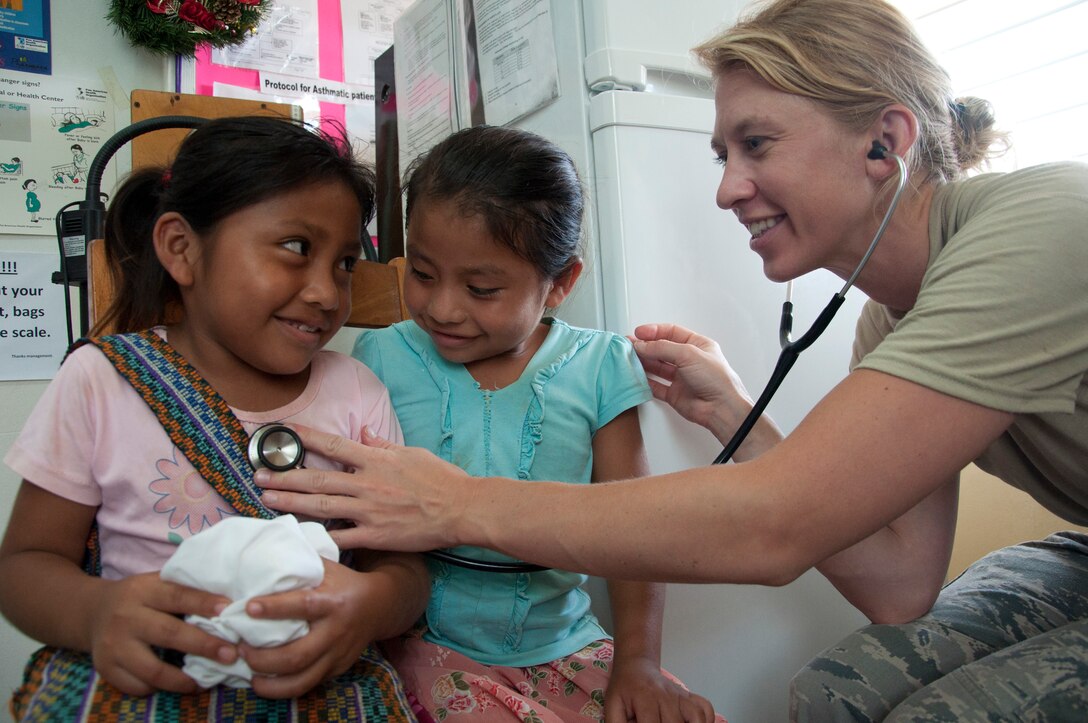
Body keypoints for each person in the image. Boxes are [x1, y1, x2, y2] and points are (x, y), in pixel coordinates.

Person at [249, 0, 1088, 719]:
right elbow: (898, 580)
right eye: (723, 154)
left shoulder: (1045, 224)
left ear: (885, 141)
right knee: (837, 688)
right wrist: (732, 410)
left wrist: (459, 503)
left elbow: (777, 523)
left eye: (757, 143)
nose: (726, 187)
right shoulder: (887, 321)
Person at [0, 116, 429, 721]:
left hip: (313, 684)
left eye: (344, 264)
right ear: (181, 248)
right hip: (147, 684)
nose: (327, 293)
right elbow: (24, 565)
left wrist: (374, 602)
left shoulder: (357, 392)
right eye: (297, 248)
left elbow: (404, 566)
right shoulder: (102, 380)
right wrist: (97, 613)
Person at [352, 125, 720, 722]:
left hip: (568, 647)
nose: (442, 307)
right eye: (422, 274)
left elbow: (636, 530)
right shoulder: (382, 359)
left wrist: (640, 663)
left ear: (561, 284)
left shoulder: (600, 366)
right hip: (418, 648)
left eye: (481, 288)